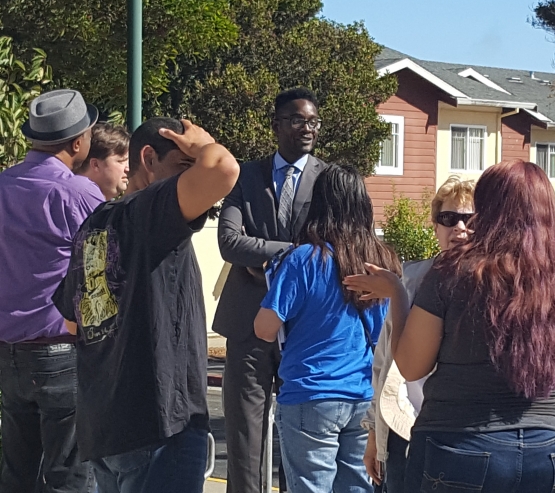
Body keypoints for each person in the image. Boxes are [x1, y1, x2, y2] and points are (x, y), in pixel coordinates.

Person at [345, 160, 555, 493]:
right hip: (553, 449)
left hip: (462, 444)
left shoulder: (453, 272)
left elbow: (412, 366)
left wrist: (399, 296)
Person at [52, 118, 240, 493]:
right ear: (149, 158)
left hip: (106, 423)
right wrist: (203, 145)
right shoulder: (153, 209)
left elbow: (73, 321)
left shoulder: (97, 221)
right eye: (183, 166)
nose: (189, 181)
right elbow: (223, 168)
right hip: (157, 423)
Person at [254, 164, 401, 493]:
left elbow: (265, 328)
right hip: (364, 393)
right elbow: (386, 333)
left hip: (310, 392)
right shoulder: (384, 262)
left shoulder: (304, 259)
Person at [213, 87, 324, 493]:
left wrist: (264, 252)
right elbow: (228, 243)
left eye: (313, 121)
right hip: (247, 320)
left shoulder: (328, 180)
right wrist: (293, 252)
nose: (307, 129)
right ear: (276, 125)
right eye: (298, 120)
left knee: (306, 437)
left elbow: (331, 247)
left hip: (306, 327)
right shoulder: (246, 175)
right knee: (244, 434)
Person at [0, 89, 102, 492]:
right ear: (78, 142)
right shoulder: (77, 193)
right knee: (71, 475)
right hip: (61, 347)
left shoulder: (4, 185)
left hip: (9, 349)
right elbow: (104, 272)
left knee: (18, 473)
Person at [359, 176, 475, 493]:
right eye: (449, 218)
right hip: (403, 425)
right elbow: (383, 362)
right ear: (435, 226)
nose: (460, 228)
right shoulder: (410, 279)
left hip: (458, 430)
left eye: (470, 219)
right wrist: (374, 436)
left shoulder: (490, 285)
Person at [75, 122, 130, 200]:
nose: (128, 169)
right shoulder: (77, 201)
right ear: (95, 165)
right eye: (121, 161)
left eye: (127, 161)